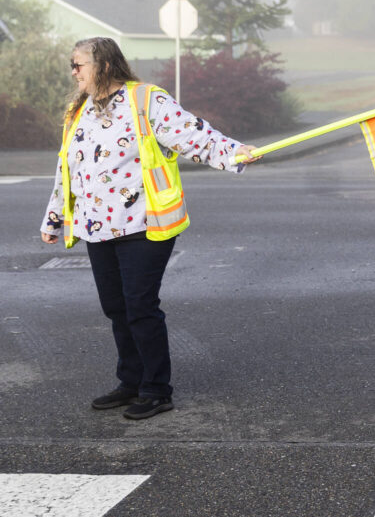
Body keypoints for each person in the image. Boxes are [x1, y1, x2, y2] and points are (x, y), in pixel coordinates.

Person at [40, 36, 260, 420]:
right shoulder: (79, 110)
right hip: (97, 226)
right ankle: (131, 381)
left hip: (145, 222)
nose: (73, 72)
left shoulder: (146, 100)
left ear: (104, 65)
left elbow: (193, 134)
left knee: (140, 305)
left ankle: (157, 390)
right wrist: (54, 217)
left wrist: (232, 152)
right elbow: (67, 168)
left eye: (79, 65)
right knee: (116, 307)